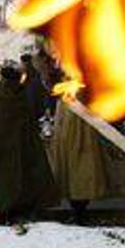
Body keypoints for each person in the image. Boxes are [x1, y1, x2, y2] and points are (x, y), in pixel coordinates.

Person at [0, 64, 60, 225]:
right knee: (16, 181)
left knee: (5, 182)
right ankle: (15, 209)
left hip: (3, 153)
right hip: (17, 152)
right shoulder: (16, 98)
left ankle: (6, 210)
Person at [47, 86, 107, 225]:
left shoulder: (68, 100)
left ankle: (79, 212)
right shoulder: (71, 99)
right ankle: (79, 213)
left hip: (76, 145)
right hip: (77, 145)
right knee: (79, 178)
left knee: (77, 178)